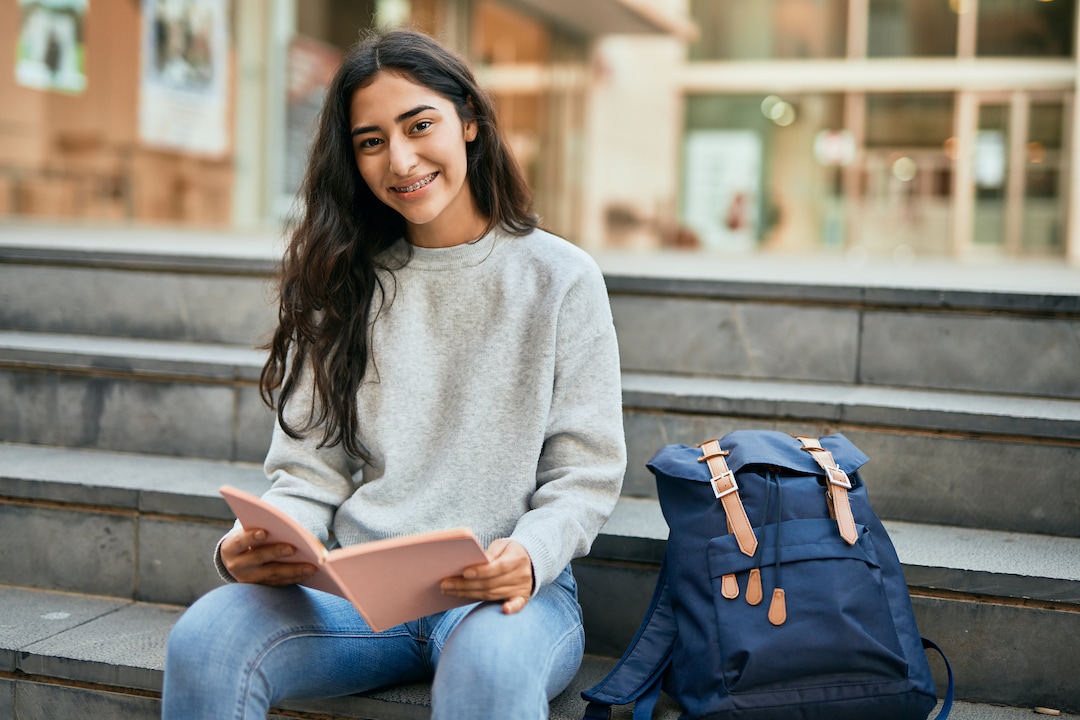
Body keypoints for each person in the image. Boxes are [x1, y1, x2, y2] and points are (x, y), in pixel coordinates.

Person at [161, 28, 626, 720]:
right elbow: (308, 474)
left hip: (506, 596)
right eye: (372, 141)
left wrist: (529, 555)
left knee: (490, 671)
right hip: (356, 598)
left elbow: (583, 477)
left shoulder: (559, 278)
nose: (400, 159)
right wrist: (257, 545)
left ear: (468, 120)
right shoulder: (343, 282)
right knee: (206, 638)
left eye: (419, 125)